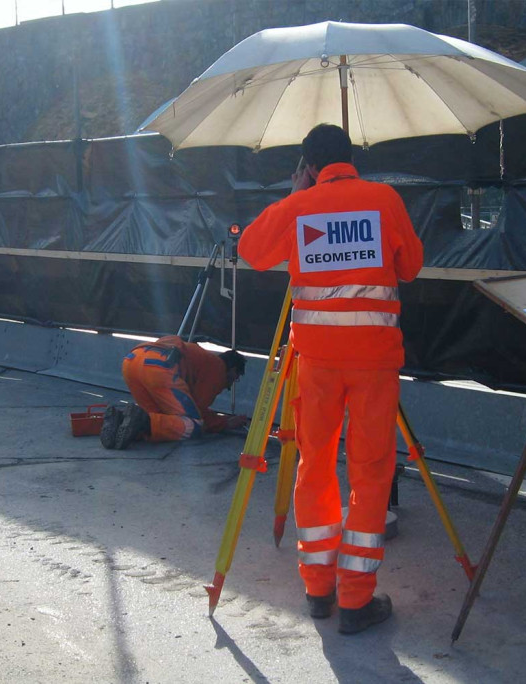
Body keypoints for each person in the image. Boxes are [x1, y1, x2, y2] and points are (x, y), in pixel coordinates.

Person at [237, 124, 423, 635]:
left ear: (309, 166)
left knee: (314, 466)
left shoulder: (298, 208)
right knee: (370, 473)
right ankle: (356, 600)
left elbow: (251, 250)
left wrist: (295, 197)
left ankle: (318, 590)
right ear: (351, 158)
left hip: (316, 365)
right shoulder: (383, 199)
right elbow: (411, 267)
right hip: (374, 364)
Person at [100, 335, 249, 450]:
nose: (230, 384)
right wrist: (224, 423)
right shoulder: (218, 370)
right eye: (235, 379)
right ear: (233, 370)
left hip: (132, 361)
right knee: (194, 425)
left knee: (161, 418)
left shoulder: (201, 359)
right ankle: (143, 422)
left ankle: (119, 420)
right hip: (160, 368)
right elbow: (198, 412)